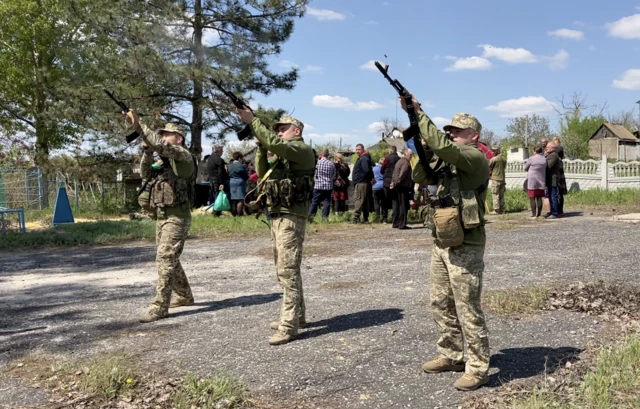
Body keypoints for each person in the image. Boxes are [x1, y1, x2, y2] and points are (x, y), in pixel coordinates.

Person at [400, 96, 491, 391]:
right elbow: (422, 173)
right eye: (449, 129)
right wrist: (416, 144)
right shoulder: (448, 161)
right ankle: (450, 354)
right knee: (440, 301)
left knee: (467, 306)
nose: (451, 133)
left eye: (457, 130)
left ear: (474, 135)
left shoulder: (475, 157)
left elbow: (444, 146)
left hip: (467, 242)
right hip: (443, 239)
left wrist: (419, 112)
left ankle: (477, 367)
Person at [235, 107, 315, 346]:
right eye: (277, 130)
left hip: (291, 217)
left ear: (296, 131)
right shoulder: (283, 155)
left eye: (283, 129)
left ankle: (288, 325)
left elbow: (277, 144)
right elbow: (262, 174)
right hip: (277, 215)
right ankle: (297, 316)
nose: (279, 133)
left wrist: (253, 121)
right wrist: (260, 148)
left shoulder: (301, 149)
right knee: (285, 268)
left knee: (287, 271)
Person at [124, 113, 196, 323]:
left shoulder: (182, 156)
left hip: (177, 216)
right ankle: (184, 296)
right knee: (168, 258)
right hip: (161, 215)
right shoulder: (164, 161)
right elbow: (145, 174)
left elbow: (163, 147)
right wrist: (147, 153)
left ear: (179, 138)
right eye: (162, 134)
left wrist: (139, 125)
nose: (163, 137)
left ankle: (160, 306)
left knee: (165, 258)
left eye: (167, 134)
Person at [308, 148, 335, 222]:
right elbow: (333, 174)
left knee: (315, 202)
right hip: (328, 186)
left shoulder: (317, 163)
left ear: (321, 154)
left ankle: (310, 217)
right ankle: (325, 218)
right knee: (327, 202)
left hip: (318, 185)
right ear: (328, 155)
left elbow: (313, 173)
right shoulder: (331, 164)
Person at [390, 148, 413, 229]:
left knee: (398, 205)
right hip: (403, 186)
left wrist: (393, 182)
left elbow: (394, 173)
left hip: (398, 185)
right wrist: (395, 182)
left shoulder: (399, 161)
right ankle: (402, 224)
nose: (411, 156)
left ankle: (396, 222)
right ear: (406, 154)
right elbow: (402, 174)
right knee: (403, 205)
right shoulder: (405, 163)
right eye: (410, 154)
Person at [351, 143, 374, 223]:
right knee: (364, 200)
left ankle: (356, 218)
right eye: (356, 149)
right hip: (362, 182)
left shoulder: (364, 158)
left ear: (363, 149)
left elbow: (367, 170)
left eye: (359, 149)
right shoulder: (363, 158)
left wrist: (371, 178)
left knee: (359, 199)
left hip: (362, 182)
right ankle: (365, 218)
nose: (357, 151)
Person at [524, 145, 547, 217]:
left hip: (532, 179)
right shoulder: (544, 159)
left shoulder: (531, 158)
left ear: (535, 151)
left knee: (532, 197)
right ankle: (539, 214)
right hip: (541, 179)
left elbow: (525, 168)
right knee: (539, 197)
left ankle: (533, 214)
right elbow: (546, 167)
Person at [207, 144, 228, 217]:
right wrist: (222, 183)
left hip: (212, 180)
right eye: (222, 150)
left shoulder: (209, 158)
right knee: (219, 196)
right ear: (218, 151)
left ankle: (216, 211)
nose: (222, 152)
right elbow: (221, 172)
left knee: (216, 195)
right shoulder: (219, 160)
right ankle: (216, 213)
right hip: (218, 180)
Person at [381, 146, 400, 224]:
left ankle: (384, 218)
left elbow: (382, 169)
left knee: (385, 200)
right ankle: (394, 218)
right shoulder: (399, 159)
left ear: (391, 150)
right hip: (396, 182)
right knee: (395, 200)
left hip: (387, 182)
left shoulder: (387, 159)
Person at [228, 152, 249, 216]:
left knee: (233, 199)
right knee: (240, 199)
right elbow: (246, 175)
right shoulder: (241, 166)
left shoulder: (229, 166)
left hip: (231, 182)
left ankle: (234, 214)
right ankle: (240, 214)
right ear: (239, 158)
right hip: (240, 182)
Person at [488, 146, 507, 215]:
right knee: (501, 195)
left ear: (498, 150)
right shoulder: (504, 158)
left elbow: (489, 167)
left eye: (494, 150)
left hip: (496, 178)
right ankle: (502, 209)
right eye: (492, 150)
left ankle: (496, 210)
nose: (493, 152)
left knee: (495, 194)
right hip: (502, 178)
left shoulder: (494, 159)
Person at [372, 158, 387, 223]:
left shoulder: (374, 168)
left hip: (375, 187)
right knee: (384, 203)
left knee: (376, 202)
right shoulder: (385, 168)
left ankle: (377, 217)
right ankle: (384, 218)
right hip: (383, 186)